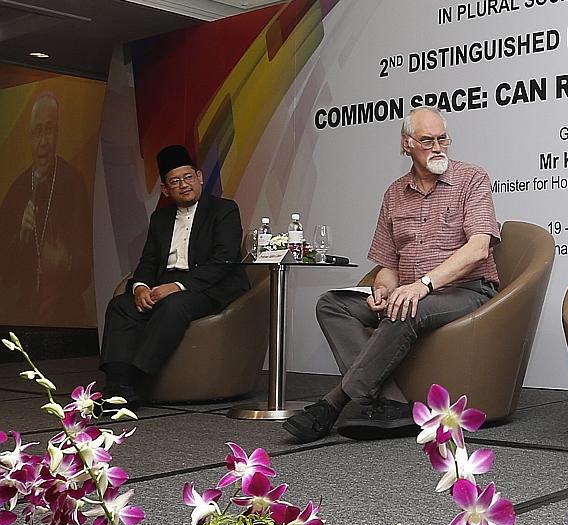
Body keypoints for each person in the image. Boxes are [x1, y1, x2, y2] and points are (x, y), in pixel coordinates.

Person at [285, 107, 500, 442]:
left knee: (406, 307)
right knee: (331, 304)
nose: (438, 147)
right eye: (427, 140)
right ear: (406, 144)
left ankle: (334, 402)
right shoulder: (394, 194)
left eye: (442, 138)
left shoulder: (472, 179)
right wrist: (383, 290)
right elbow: (388, 264)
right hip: (413, 292)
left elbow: (478, 249)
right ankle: (393, 404)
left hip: (467, 290)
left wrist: (423, 285)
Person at [98, 145, 249, 403]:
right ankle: (116, 384)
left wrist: (178, 286)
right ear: (166, 190)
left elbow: (224, 262)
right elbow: (148, 261)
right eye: (175, 181)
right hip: (164, 285)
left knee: (173, 306)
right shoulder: (160, 217)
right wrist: (141, 287)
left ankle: (136, 378)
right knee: (120, 306)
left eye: (188, 177)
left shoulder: (224, 210)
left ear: (200, 177)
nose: (184, 185)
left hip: (208, 286)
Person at [0, 92, 94, 326]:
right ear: (30, 137)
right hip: (24, 313)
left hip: (68, 313)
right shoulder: (17, 190)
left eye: (49, 130)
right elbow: (6, 275)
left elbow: (84, 275)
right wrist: (21, 236)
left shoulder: (73, 183)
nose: (43, 141)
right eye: (37, 131)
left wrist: (66, 262)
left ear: (57, 133)